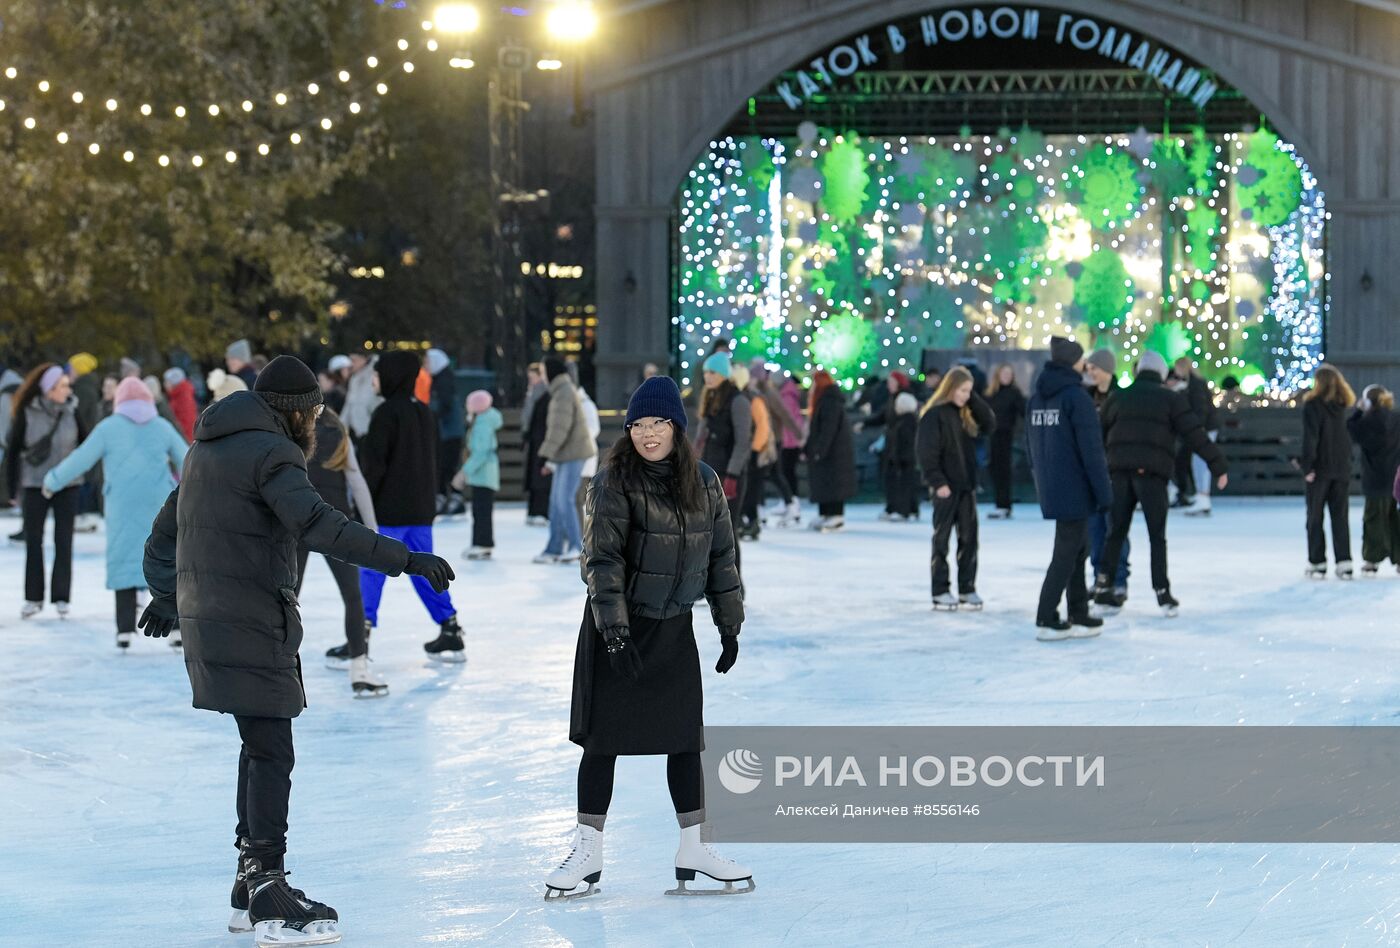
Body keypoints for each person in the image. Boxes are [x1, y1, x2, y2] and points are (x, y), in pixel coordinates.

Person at [140, 355, 453, 942]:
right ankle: (268, 886)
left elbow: (164, 535)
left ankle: (247, 881)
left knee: (258, 742)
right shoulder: (274, 452)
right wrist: (403, 560)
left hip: (212, 620)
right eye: (314, 409)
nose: (316, 419)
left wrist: (167, 598)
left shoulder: (204, 448)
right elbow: (320, 526)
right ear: (299, 411)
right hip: (254, 618)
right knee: (271, 748)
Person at [545, 375, 751, 900]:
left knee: (684, 740)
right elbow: (602, 562)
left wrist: (728, 625)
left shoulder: (704, 482)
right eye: (638, 424)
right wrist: (614, 633)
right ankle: (587, 848)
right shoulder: (613, 479)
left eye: (658, 422)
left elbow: (723, 558)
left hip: (673, 628)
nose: (647, 433)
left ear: (677, 427)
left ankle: (694, 846)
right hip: (619, 627)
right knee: (602, 741)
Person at [41, 378, 186, 648]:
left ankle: (124, 629)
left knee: (124, 557)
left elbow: (81, 458)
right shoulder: (161, 427)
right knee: (166, 556)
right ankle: (176, 627)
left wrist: (52, 481)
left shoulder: (108, 428)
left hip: (121, 503)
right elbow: (187, 458)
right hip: (159, 501)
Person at [1096, 351, 1228, 617]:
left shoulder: (1118, 397)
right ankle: (1162, 593)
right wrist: (1218, 465)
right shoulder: (1171, 399)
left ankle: (1103, 586)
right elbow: (1194, 433)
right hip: (1152, 475)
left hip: (1119, 474)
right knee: (1157, 536)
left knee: (1115, 532)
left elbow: (1099, 433)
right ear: (1161, 373)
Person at [356, 350, 465, 661]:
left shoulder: (386, 413)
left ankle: (359, 635)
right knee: (425, 570)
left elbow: (374, 467)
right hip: (420, 511)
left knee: (372, 570)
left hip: (389, 511)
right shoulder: (424, 412)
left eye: (378, 374)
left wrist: (362, 507)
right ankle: (450, 627)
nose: (374, 380)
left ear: (392, 376)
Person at [1025, 338, 1112, 640]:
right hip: (1076, 486)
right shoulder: (1076, 398)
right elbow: (1092, 451)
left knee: (1078, 548)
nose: (1084, 364)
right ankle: (1046, 616)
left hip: (1051, 482)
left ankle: (1078, 611)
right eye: (1081, 359)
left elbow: (1030, 445)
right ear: (1071, 362)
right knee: (1066, 551)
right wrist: (1104, 493)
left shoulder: (1037, 398)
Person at [305, 406, 387, 698]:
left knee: (287, 597)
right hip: (335, 523)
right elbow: (357, 481)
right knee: (353, 596)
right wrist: (373, 529)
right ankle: (359, 669)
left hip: (298, 520)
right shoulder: (339, 434)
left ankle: (278, 670)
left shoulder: (292, 432)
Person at [6, 363, 87, 619]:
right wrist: (11, 487)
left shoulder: (72, 411)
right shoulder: (27, 412)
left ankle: (61, 597)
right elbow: (12, 451)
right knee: (34, 540)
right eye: (62, 385)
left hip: (68, 485)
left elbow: (86, 445)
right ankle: (33, 597)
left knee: (64, 541)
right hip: (35, 484)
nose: (67, 389)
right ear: (49, 389)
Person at [917, 366, 995, 611]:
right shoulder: (934, 415)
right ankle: (940, 589)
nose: (965, 395)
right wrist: (937, 482)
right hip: (946, 488)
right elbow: (926, 452)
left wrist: (973, 400)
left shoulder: (965, 414)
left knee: (969, 540)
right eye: (962, 390)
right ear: (950, 388)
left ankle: (967, 588)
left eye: (969, 391)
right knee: (942, 540)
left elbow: (989, 424)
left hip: (966, 486)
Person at [535, 357, 597, 564]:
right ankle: (554, 547)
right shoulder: (560, 390)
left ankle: (575, 546)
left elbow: (560, 427)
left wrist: (545, 453)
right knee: (555, 503)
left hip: (574, 453)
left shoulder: (563, 392)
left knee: (565, 500)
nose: (542, 376)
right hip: (565, 454)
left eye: (543, 371)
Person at [693, 352, 752, 559]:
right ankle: (714, 585)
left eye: (712, 372)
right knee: (709, 533)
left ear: (723, 374)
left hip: (728, 475)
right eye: (705, 373)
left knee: (727, 532)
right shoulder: (710, 399)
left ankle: (734, 587)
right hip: (709, 473)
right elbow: (701, 439)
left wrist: (732, 475)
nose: (707, 377)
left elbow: (743, 442)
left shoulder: (738, 401)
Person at [1301, 364, 1356, 579]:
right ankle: (1344, 562)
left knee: (1314, 517)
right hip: (1341, 468)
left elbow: (1311, 438)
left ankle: (1318, 562)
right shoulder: (1342, 406)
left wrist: (1307, 466)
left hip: (1320, 469)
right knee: (1339, 516)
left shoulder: (1312, 405)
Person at [1083, 349, 1130, 601]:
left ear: (1107, 370)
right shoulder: (1085, 396)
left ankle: (1118, 579)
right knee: (1095, 529)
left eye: (1094, 368)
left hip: (1115, 470)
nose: (1090, 372)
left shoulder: (1121, 396)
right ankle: (1099, 578)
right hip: (1091, 472)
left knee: (1115, 527)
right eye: (1088, 368)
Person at [1347, 385, 1400, 575]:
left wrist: (1358, 411)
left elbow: (1350, 428)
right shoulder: (1395, 419)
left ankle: (1372, 559)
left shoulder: (1367, 421)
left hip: (1375, 479)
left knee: (1373, 519)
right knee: (1395, 519)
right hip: (1395, 477)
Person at [804, 369, 855, 532]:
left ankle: (835, 514)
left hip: (834, 452)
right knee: (825, 482)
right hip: (830, 451)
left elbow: (828, 429)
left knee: (833, 483)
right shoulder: (827, 400)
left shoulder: (830, 402)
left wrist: (820, 450)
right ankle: (826, 512)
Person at [1173, 357, 1221, 517]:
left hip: (1204, 429)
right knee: (1198, 462)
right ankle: (1202, 496)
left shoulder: (1195, 385)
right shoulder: (1194, 384)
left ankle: (1203, 497)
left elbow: (1201, 408)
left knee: (1200, 463)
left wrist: (1197, 428)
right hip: (1205, 428)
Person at [730, 363, 771, 540]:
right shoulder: (741, 398)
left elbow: (763, 427)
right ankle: (746, 522)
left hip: (753, 452)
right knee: (746, 491)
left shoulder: (752, 399)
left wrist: (754, 450)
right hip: (747, 451)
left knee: (751, 491)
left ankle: (752, 522)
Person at [425, 348, 466, 516]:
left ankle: (450, 498)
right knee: (445, 465)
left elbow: (445, 406)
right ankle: (448, 497)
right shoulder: (440, 380)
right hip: (446, 431)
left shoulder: (443, 382)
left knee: (446, 465)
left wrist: (431, 414)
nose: (425, 365)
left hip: (448, 432)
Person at [461, 390, 501, 560]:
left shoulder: (483, 424)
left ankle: (483, 543)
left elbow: (480, 452)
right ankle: (481, 543)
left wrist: (464, 472)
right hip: (484, 473)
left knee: (481, 509)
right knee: (480, 508)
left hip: (483, 473)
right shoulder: (482, 421)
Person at [984, 364, 1026, 519]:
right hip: (992, 436)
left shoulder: (1014, 394)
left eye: (1009, 373)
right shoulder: (990, 393)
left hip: (1006, 435)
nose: (1007, 376)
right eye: (1004, 373)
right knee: (994, 469)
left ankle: (1004, 504)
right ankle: (1000, 503)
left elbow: (1024, 411)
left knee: (1003, 470)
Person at [883, 392, 921, 522]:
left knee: (905, 485)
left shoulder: (905, 422)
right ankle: (912, 509)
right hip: (908, 457)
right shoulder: (910, 420)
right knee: (909, 484)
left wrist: (897, 456)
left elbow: (904, 441)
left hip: (905, 458)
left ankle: (904, 511)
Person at [523, 362, 552, 526]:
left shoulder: (542, 393)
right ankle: (535, 509)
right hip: (535, 438)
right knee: (535, 474)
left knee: (539, 474)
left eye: (533, 377)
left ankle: (540, 510)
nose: (531, 381)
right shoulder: (534, 392)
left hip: (539, 439)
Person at [777, 371, 807, 526]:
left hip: (789, 442)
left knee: (786, 472)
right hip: (792, 441)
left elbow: (788, 420)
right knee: (786, 472)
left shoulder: (787, 396)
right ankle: (790, 502)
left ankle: (792, 503)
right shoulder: (790, 394)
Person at [340, 352, 380, 442]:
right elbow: (349, 405)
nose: (350, 364)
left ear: (364, 359)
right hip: (358, 433)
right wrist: (340, 429)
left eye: (354, 360)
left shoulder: (375, 375)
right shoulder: (354, 379)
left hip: (373, 432)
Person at [163, 367, 198, 442]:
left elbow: (186, 420)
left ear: (174, 383)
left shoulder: (182, 397)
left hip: (185, 438)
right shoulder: (178, 395)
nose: (165, 384)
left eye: (167, 381)